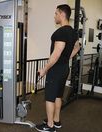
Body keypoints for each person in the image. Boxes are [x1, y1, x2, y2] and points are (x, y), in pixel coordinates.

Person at [35, 4, 80, 132]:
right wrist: (67, 58)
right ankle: (56, 120)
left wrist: (44, 69)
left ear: (62, 14)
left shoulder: (60, 32)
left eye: (56, 13)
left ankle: (50, 126)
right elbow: (77, 47)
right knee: (58, 96)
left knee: (49, 97)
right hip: (65, 68)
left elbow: (56, 54)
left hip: (56, 69)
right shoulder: (73, 32)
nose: (54, 16)